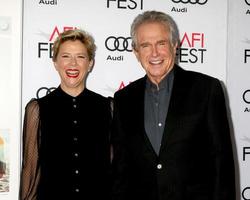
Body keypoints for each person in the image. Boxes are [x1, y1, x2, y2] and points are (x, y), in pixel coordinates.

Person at [111, 10, 236, 200]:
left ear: (174, 45)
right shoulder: (123, 98)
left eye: (161, 43)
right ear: (136, 52)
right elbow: (121, 167)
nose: (154, 53)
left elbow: (222, 161)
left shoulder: (206, 89)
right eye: (145, 45)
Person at [20, 29, 112, 200]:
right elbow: (30, 171)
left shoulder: (108, 107)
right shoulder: (37, 109)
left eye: (80, 57)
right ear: (55, 62)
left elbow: (116, 168)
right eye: (66, 56)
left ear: (90, 63)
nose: (73, 64)